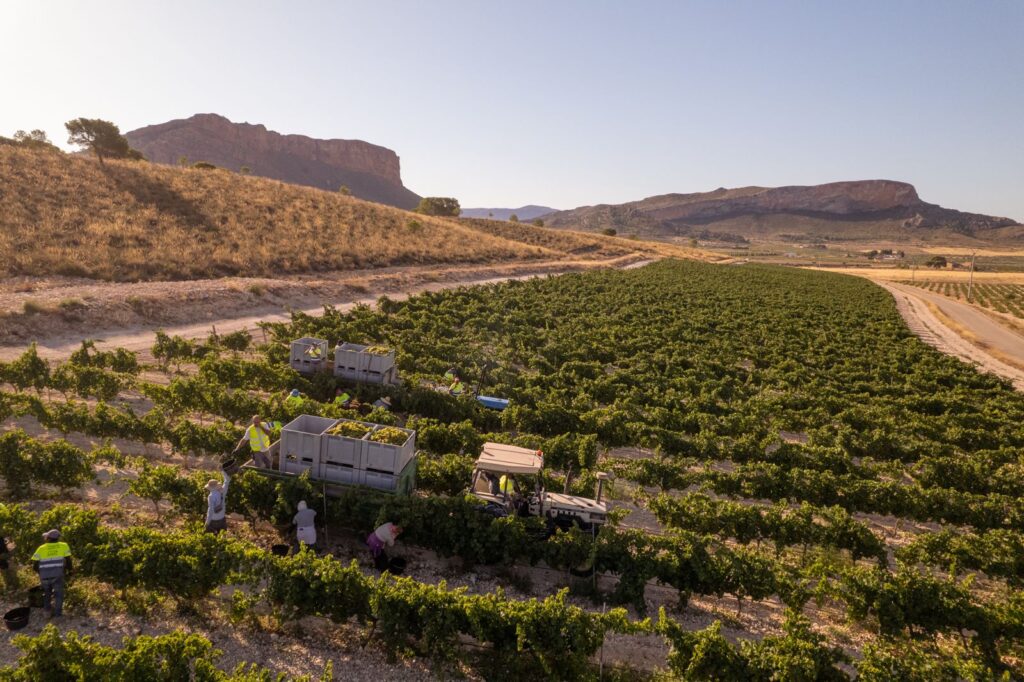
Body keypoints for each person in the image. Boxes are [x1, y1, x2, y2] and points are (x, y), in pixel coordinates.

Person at [30, 530, 71, 618]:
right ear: (58, 538)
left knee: (47, 593)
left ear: (48, 538)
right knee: (59, 595)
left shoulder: (41, 548)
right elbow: (69, 562)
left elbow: (34, 566)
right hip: (58, 575)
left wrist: (42, 573)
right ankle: (57, 615)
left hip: (44, 576)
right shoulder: (64, 546)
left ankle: (47, 613)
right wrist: (68, 572)